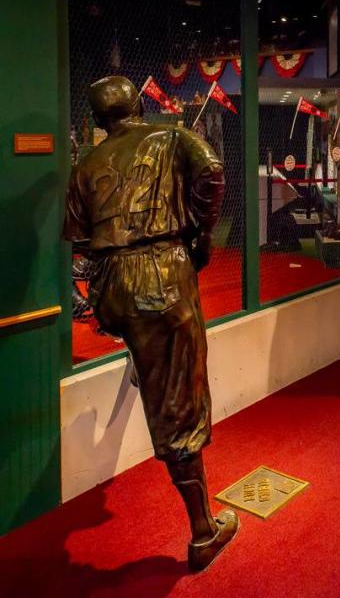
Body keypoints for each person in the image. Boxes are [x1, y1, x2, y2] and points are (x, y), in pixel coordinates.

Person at [63, 76, 238, 572]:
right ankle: (204, 532)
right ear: (138, 106)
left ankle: (145, 362)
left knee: (160, 373)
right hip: (161, 272)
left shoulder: (86, 163)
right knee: (179, 407)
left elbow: (77, 239)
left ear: (99, 119)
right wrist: (201, 235)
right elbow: (212, 171)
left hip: (113, 286)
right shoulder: (171, 136)